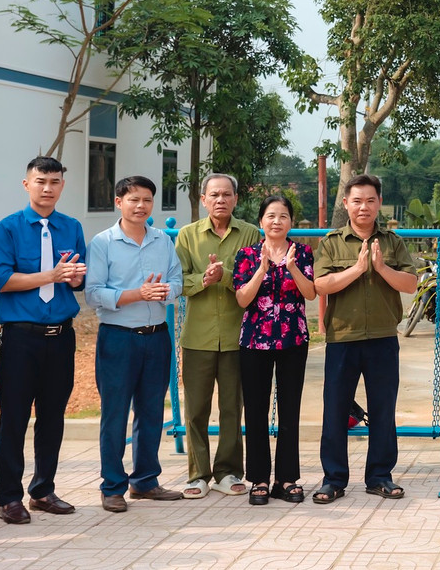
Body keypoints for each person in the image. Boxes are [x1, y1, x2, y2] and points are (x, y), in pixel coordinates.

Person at [0, 156, 88, 524]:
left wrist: (75, 277)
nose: (48, 188)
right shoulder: (9, 228)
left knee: (52, 417)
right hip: (20, 339)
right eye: (41, 181)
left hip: (60, 337)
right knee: (14, 418)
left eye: (55, 182)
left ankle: (43, 490)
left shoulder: (72, 226)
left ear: (63, 185)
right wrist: (51, 274)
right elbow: (2, 280)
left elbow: (78, 279)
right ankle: (8, 497)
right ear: (26, 184)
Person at [312, 174, 418, 504]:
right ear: (346, 204)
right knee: (335, 410)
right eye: (357, 201)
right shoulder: (331, 242)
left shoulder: (392, 242)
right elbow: (321, 286)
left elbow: (411, 283)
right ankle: (334, 479)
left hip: (383, 338)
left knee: (383, 410)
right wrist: (357, 270)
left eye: (370, 200)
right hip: (343, 338)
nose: (364, 207)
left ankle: (379, 476)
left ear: (379, 203)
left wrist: (381, 267)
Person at [85, 175, 186, 513]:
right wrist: (136, 295)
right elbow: (93, 293)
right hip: (118, 338)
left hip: (157, 336)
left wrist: (165, 292)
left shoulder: (162, 241)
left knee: (152, 411)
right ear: (119, 203)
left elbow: (177, 280)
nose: (140, 206)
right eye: (133, 200)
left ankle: (145, 481)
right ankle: (112, 485)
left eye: (146, 200)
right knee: (115, 414)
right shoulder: (103, 242)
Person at [174, 173, 259, 499]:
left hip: (239, 336)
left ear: (236, 199)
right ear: (203, 199)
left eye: (226, 194)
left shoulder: (250, 233)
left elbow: (254, 279)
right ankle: (198, 474)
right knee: (195, 409)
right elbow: (178, 281)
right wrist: (204, 280)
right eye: (214, 194)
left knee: (231, 408)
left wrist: (224, 276)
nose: (220, 199)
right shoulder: (187, 236)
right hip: (197, 336)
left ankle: (228, 472)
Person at [232, 194, 316, 506]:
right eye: (271, 216)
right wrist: (262, 268)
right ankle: (259, 479)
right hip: (255, 341)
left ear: (291, 222)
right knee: (255, 410)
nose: (276, 221)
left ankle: (288, 478)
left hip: (293, 339)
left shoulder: (303, 252)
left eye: (283, 216)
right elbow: (242, 299)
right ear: (261, 221)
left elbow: (310, 292)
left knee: (290, 410)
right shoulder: (247, 254)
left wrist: (293, 268)